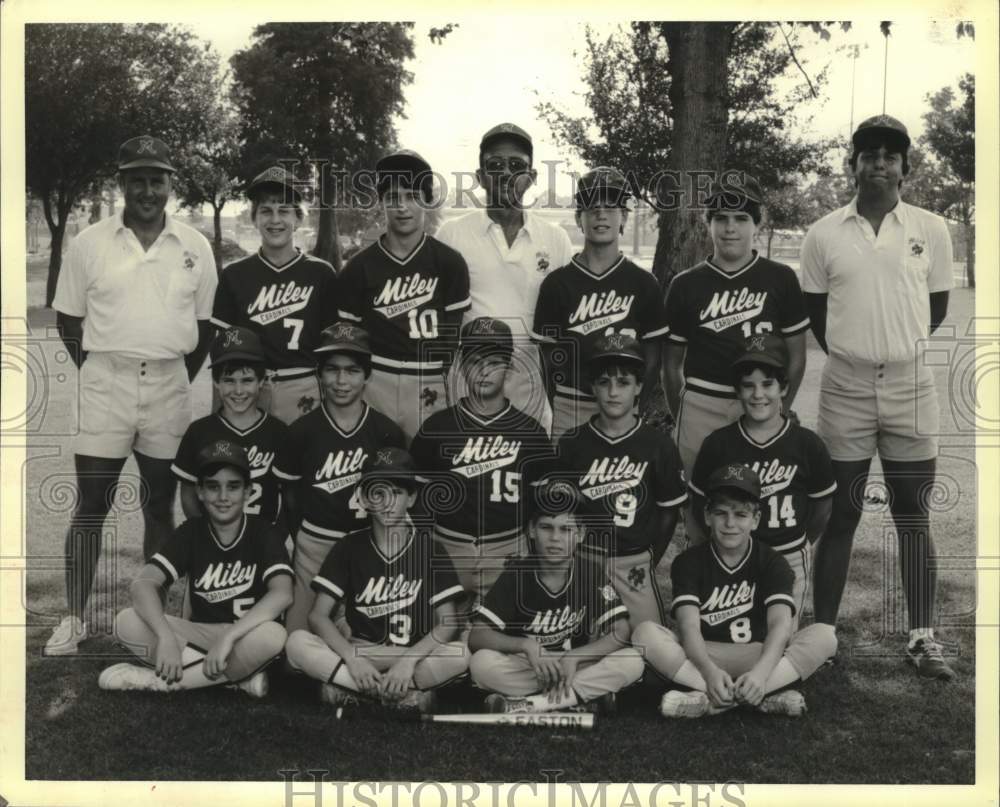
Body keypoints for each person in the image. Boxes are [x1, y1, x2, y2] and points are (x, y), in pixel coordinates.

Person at [48, 135, 217, 655]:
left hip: (169, 381)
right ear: (121, 183)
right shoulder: (89, 242)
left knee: (159, 504)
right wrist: (105, 368)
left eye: (157, 179)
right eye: (137, 179)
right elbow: (68, 320)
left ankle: (157, 618)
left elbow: (204, 327)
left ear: (170, 185)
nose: (148, 189)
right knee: (92, 505)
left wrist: (170, 374)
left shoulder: (195, 245)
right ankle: (74, 618)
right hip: (107, 381)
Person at [800, 115, 955, 679]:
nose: (880, 163)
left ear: (904, 167)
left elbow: (934, 310)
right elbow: (818, 316)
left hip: (911, 384)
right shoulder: (824, 233)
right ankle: (824, 636)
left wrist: (895, 350)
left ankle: (922, 637)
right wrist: (859, 353)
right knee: (839, 514)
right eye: (869, 153)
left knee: (913, 515)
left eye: (891, 154)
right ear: (854, 163)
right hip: (846, 384)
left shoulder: (931, 228)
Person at [632, 463, 837, 719]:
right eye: (721, 513)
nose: (730, 523)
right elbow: (689, 628)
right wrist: (708, 671)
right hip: (705, 653)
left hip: (757, 654)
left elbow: (780, 626)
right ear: (707, 516)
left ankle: (711, 701)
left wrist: (761, 673)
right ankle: (760, 697)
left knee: (825, 635)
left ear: (756, 519)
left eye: (741, 515)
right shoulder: (689, 562)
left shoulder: (773, 561)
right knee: (644, 633)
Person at [98, 440, 293, 696]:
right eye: (213, 487)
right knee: (126, 621)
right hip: (197, 635)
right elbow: (143, 585)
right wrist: (166, 637)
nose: (223, 497)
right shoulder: (192, 532)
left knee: (274, 635)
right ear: (200, 492)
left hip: (245, 635)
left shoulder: (264, 532)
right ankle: (235, 680)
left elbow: (282, 593)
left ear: (248, 492)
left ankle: (158, 682)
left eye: (233, 487)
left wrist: (229, 637)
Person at [285, 448, 468, 713]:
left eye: (396, 493)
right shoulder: (349, 546)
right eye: (377, 492)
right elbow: (318, 617)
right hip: (362, 652)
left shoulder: (430, 549)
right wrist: (351, 658)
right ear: (365, 498)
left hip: (409, 652)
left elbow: (446, 623)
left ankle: (353, 691)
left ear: (412, 497)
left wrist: (408, 661)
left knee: (461, 655)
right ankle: (406, 697)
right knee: (297, 642)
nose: (387, 502)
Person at [661, 173, 810, 478]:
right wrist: (684, 415)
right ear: (708, 222)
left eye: (741, 218)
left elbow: (797, 357)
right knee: (700, 502)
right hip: (702, 401)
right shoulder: (685, 284)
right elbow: (670, 364)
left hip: (759, 402)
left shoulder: (780, 278)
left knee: (756, 502)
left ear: (757, 222)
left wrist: (778, 409)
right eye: (721, 218)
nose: (730, 228)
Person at [688, 333, 836, 628]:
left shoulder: (807, 445)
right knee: (730, 634)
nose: (758, 394)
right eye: (748, 385)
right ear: (737, 390)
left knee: (778, 640)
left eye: (767, 384)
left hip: (787, 555)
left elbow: (822, 508)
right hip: (732, 555)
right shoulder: (719, 445)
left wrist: (800, 541)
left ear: (784, 387)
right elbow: (698, 503)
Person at [437, 123, 574, 434]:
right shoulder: (452, 233)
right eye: (495, 165)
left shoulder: (556, 239)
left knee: (523, 476)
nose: (506, 173)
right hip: (470, 384)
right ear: (480, 176)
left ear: (533, 177)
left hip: (530, 388)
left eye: (517, 165)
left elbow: (562, 323)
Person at [272, 322, 407, 635]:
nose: (341, 381)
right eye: (332, 370)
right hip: (314, 544)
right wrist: (304, 538)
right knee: (295, 653)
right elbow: (290, 497)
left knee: (369, 637)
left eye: (352, 370)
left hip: (369, 545)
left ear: (367, 375)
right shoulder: (302, 431)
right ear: (319, 373)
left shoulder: (386, 432)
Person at [409, 317, 554, 605]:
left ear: (510, 366)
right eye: (475, 361)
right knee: (434, 635)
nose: (484, 370)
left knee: (507, 636)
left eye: (494, 361)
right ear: (461, 365)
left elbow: (541, 506)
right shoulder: (436, 429)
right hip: (448, 547)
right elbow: (418, 506)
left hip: (508, 548)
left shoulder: (532, 432)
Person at [468, 479, 644, 714]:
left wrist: (575, 657)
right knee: (481, 664)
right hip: (531, 665)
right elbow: (477, 635)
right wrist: (526, 645)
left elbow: (620, 632)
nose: (555, 538)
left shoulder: (590, 571)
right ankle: (581, 699)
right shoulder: (517, 574)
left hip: (574, 664)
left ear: (580, 534)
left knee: (632, 659)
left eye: (566, 529)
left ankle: (531, 704)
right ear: (531, 530)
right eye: (546, 527)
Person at [553, 334, 687, 628]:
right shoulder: (572, 443)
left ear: (639, 386)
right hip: (584, 559)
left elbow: (668, 512)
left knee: (650, 646)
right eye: (604, 382)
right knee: (573, 639)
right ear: (593, 386)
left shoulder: (658, 446)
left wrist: (649, 556)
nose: (613, 392)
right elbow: (559, 510)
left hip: (633, 562)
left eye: (623, 382)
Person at [337, 150, 471, 440]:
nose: (403, 207)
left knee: (429, 469)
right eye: (393, 197)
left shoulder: (449, 262)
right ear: (382, 202)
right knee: (375, 468)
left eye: (412, 196)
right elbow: (350, 340)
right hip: (377, 380)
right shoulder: (359, 267)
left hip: (430, 379)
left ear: (426, 201)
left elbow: (452, 336)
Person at [533, 166, 669, 437]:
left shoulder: (643, 283)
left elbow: (653, 357)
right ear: (578, 218)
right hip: (571, 407)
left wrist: (634, 404)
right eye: (591, 207)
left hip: (624, 408)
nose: (600, 214)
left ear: (624, 218)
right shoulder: (558, 283)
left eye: (610, 206)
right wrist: (560, 404)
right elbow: (547, 360)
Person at [211, 166, 339, 424]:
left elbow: (333, 350)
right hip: (250, 389)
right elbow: (222, 353)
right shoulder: (235, 274)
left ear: (299, 219)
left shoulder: (321, 273)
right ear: (254, 218)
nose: (275, 220)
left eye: (284, 211)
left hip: (305, 387)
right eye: (266, 211)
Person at [172, 327, 288, 525]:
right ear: (216, 382)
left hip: (262, 540)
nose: (239, 390)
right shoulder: (199, 432)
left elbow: (289, 498)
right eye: (229, 381)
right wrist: (206, 534)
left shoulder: (278, 432)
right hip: (212, 540)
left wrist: (275, 536)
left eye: (247, 380)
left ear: (261, 380)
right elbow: (189, 495)